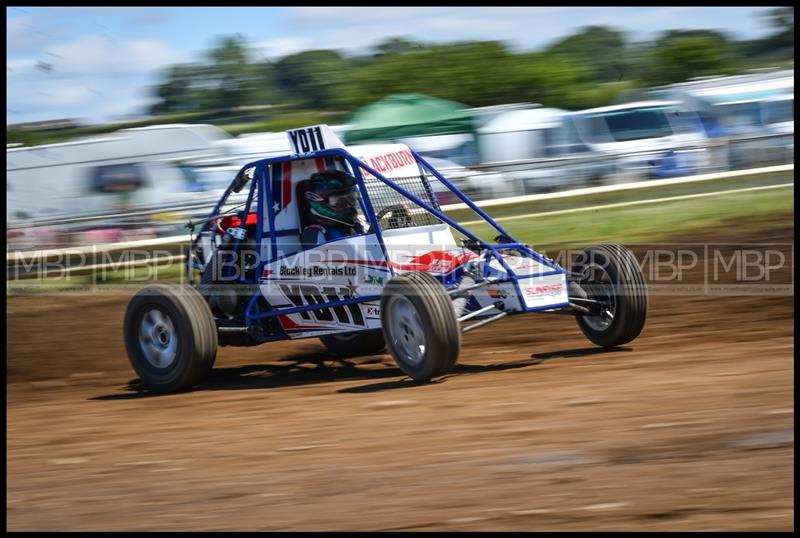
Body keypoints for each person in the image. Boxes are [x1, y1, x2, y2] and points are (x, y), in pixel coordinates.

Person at [300, 170, 365, 249]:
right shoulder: (314, 234)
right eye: (340, 201)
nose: (349, 205)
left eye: (352, 198)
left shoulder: (351, 224)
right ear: (317, 200)